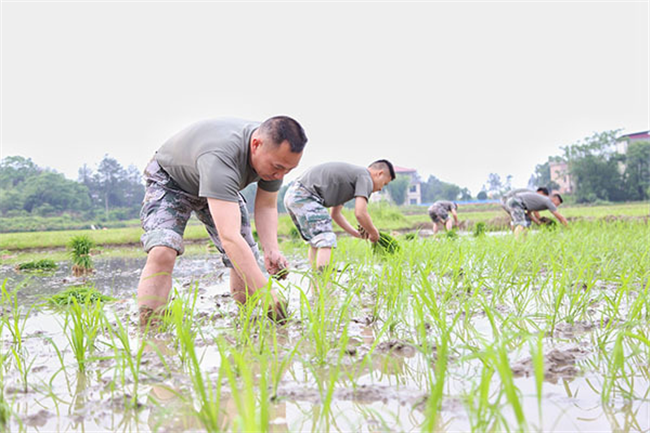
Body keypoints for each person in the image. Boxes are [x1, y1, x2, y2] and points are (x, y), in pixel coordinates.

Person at [137, 116, 308, 323]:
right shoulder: (222, 157)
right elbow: (230, 238)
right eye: (278, 167)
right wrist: (266, 292)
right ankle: (151, 328)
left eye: (288, 170)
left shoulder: (272, 157)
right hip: (171, 181)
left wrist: (271, 250)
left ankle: (250, 321)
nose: (280, 174)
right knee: (163, 249)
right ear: (256, 145)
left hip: (219, 186)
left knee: (246, 256)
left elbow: (266, 205)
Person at [283, 160, 395, 270]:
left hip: (294, 194)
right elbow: (360, 213)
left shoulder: (351, 180)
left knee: (317, 240)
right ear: (379, 173)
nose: (380, 188)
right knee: (326, 238)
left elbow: (335, 214)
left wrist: (357, 234)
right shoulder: (365, 177)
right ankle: (324, 276)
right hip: (305, 195)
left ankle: (316, 277)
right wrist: (373, 232)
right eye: (384, 183)